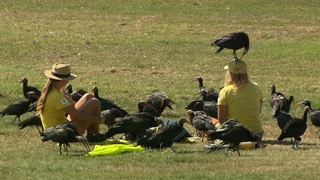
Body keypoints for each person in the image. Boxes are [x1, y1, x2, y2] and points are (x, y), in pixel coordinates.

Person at [37, 62, 106, 142]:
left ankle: (92, 134)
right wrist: (98, 119)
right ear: (63, 80)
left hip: (62, 126)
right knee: (95, 102)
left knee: (88, 96)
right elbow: (80, 116)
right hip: (62, 133)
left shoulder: (55, 91)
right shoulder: (56, 97)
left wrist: (90, 114)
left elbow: (74, 105)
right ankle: (95, 135)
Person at [205, 59, 263, 150]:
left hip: (236, 133)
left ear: (230, 74)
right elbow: (258, 111)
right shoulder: (256, 87)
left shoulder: (225, 91)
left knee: (211, 121)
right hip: (257, 133)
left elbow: (222, 121)